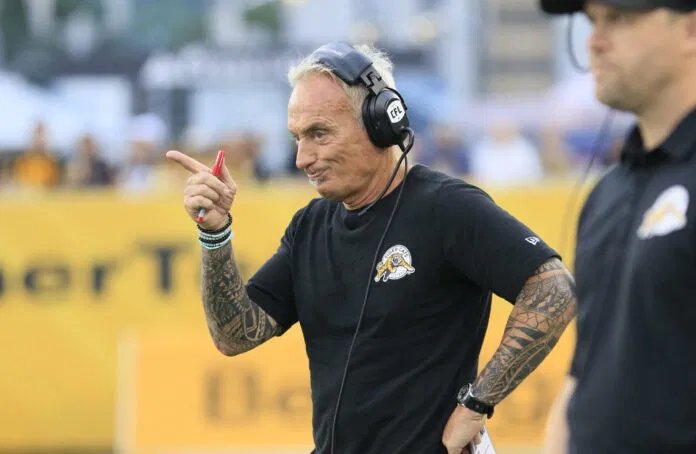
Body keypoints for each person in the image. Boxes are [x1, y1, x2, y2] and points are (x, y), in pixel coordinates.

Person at [167, 42, 576, 454]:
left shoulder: (446, 207)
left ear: (380, 122)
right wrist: (215, 235)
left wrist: (477, 403)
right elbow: (236, 336)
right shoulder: (309, 226)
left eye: (319, 134)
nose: (302, 158)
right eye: (297, 138)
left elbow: (554, 287)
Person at [539, 1, 696, 453]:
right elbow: (585, 371)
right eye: (592, 20)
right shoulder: (607, 193)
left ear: (690, 30)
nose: (595, 40)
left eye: (620, 18)